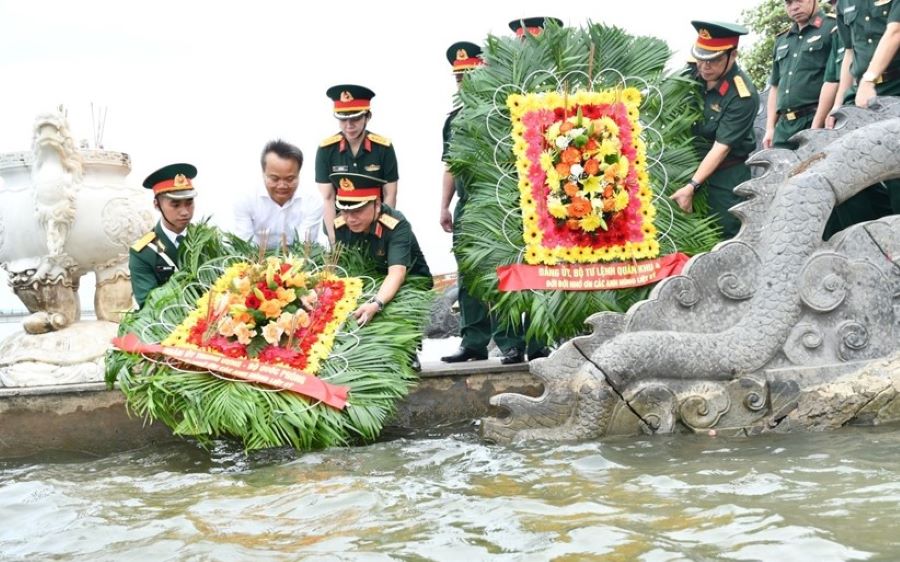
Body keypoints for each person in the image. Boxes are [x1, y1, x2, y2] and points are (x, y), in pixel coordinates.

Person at [439, 41, 531, 364]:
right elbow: (450, 164)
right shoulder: (453, 119)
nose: (465, 84)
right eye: (459, 78)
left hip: (496, 202)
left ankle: (510, 342)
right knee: (469, 277)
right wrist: (444, 205)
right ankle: (473, 343)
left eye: (470, 76)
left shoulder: (501, 114)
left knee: (501, 273)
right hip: (467, 204)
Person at [670, 21, 760, 239]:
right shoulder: (693, 73)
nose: (705, 66)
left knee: (723, 236)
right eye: (701, 58)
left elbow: (721, 148)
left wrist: (692, 186)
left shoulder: (742, 95)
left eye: (714, 60)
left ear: (733, 55)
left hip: (725, 177)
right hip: (686, 166)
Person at [824, 0, 900, 231]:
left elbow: (896, 30)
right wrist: (838, 105)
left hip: (894, 85)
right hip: (860, 95)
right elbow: (850, 53)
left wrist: (869, 78)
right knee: (843, 175)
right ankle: (868, 243)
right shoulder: (844, 4)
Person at [332, 172, 431, 328]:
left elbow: (397, 272)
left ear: (377, 204)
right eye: (344, 211)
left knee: (394, 326)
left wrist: (376, 303)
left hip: (408, 281)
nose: (350, 218)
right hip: (370, 279)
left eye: (357, 211)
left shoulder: (396, 225)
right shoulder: (339, 224)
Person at [316, 84, 398, 244]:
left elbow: (390, 194)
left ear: (367, 116)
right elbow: (328, 197)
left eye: (355, 118)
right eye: (343, 119)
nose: (349, 125)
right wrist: (334, 240)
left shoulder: (383, 148)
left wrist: (383, 232)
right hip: (342, 222)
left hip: (375, 219)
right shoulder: (326, 150)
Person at [763, 0, 836, 149]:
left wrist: (817, 125)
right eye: (788, 3)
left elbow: (835, 79)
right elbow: (775, 86)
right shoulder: (782, 40)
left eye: (799, 0)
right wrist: (770, 128)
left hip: (815, 119)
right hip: (784, 128)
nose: (794, 7)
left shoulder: (831, 28)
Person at [234, 139, 325, 249]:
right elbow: (245, 244)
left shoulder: (313, 200)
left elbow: (304, 246)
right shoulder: (246, 198)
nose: (282, 186)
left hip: (296, 259)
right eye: (275, 179)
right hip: (256, 257)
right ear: (263, 174)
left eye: (290, 179)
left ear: (298, 174)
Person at [129, 163, 197, 308]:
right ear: (156, 205)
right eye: (175, 205)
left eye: (189, 203)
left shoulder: (207, 240)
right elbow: (149, 304)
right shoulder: (144, 251)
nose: (185, 212)